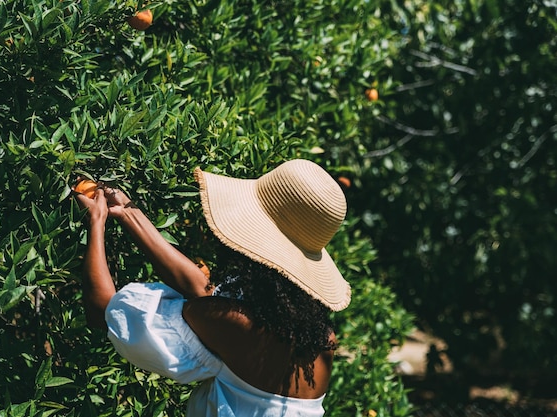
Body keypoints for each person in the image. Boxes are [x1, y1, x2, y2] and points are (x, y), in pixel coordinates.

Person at [74, 159, 352, 416]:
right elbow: (204, 291)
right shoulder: (321, 341)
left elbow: (104, 312)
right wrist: (127, 213)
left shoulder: (236, 324)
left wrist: (96, 223)